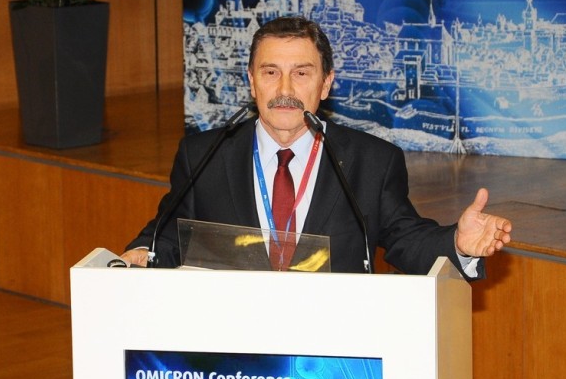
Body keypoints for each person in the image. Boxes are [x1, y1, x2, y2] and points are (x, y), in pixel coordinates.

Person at [121, 16, 512, 279]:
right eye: (270, 72)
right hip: (234, 347)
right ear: (252, 82)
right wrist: (138, 255)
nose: (285, 89)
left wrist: (458, 244)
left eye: (301, 73)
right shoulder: (204, 156)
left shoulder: (371, 162)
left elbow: (406, 240)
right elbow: (166, 238)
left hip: (333, 354)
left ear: (326, 84)